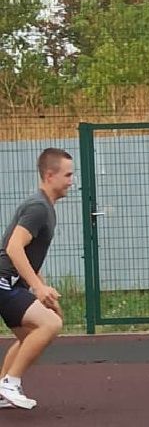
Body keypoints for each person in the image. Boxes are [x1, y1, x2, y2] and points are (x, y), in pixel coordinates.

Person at [0, 148, 72, 409]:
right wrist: (37, 288)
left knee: (31, 334)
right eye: (68, 175)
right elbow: (14, 248)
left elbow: (28, 256)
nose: (71, 181)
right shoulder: (38, 208)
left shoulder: (45, 207)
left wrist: (42, 288)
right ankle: (10, 383)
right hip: (4, 282)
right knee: (50, 324)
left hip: (11, 283)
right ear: (50, 175)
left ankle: (2, 391)